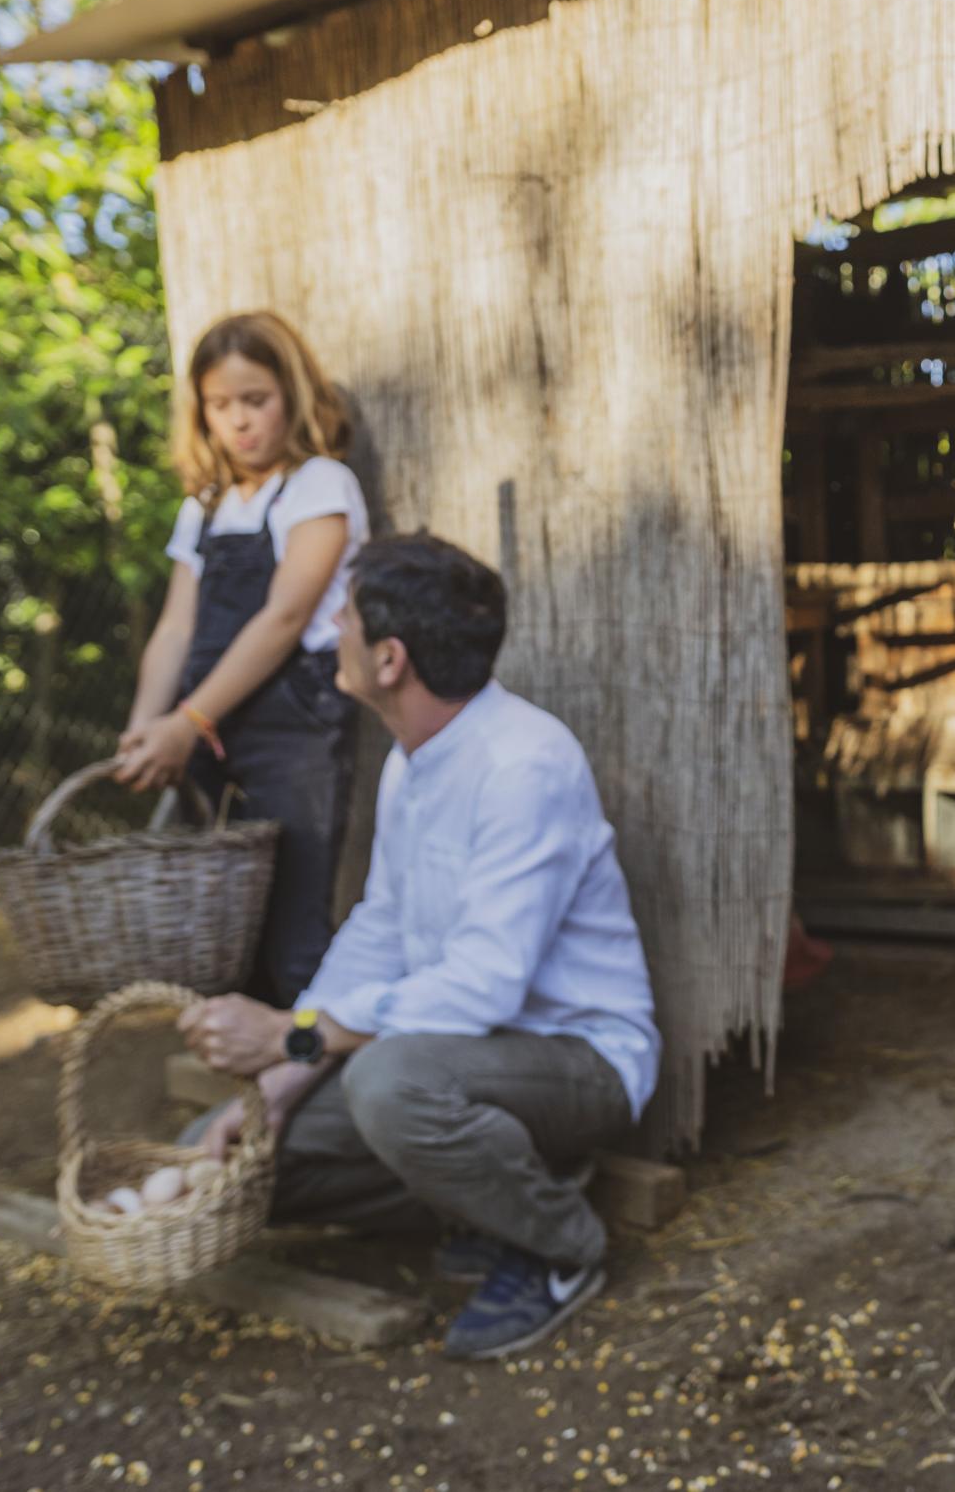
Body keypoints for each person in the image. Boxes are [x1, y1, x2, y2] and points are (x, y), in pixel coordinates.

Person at [177, 532, 661, 1362]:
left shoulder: (524, 765)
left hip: (578, 1058)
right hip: (458, 1059)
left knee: (389, 1082)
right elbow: (381, 930)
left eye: (350, 613)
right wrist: (276, 1087)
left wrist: (292, 1033)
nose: (335, 622)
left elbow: (484, 989)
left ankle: (559, 1244)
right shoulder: (413, 758)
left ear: (390, 658)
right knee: (217, 1155)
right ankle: (481, 1202)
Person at [117, 311, 368, 1007]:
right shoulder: (204, 506)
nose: (239, 422)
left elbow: (285, 617)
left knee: (293, 917)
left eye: (255, 400)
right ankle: (246, 1092)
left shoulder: (319, 486)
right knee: (223, 927)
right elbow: (175, 626)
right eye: (220, 405)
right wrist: (148, 725)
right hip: (206, 730)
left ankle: (310, 1082)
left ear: (292, 393)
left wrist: (188, 720)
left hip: (294, 726)